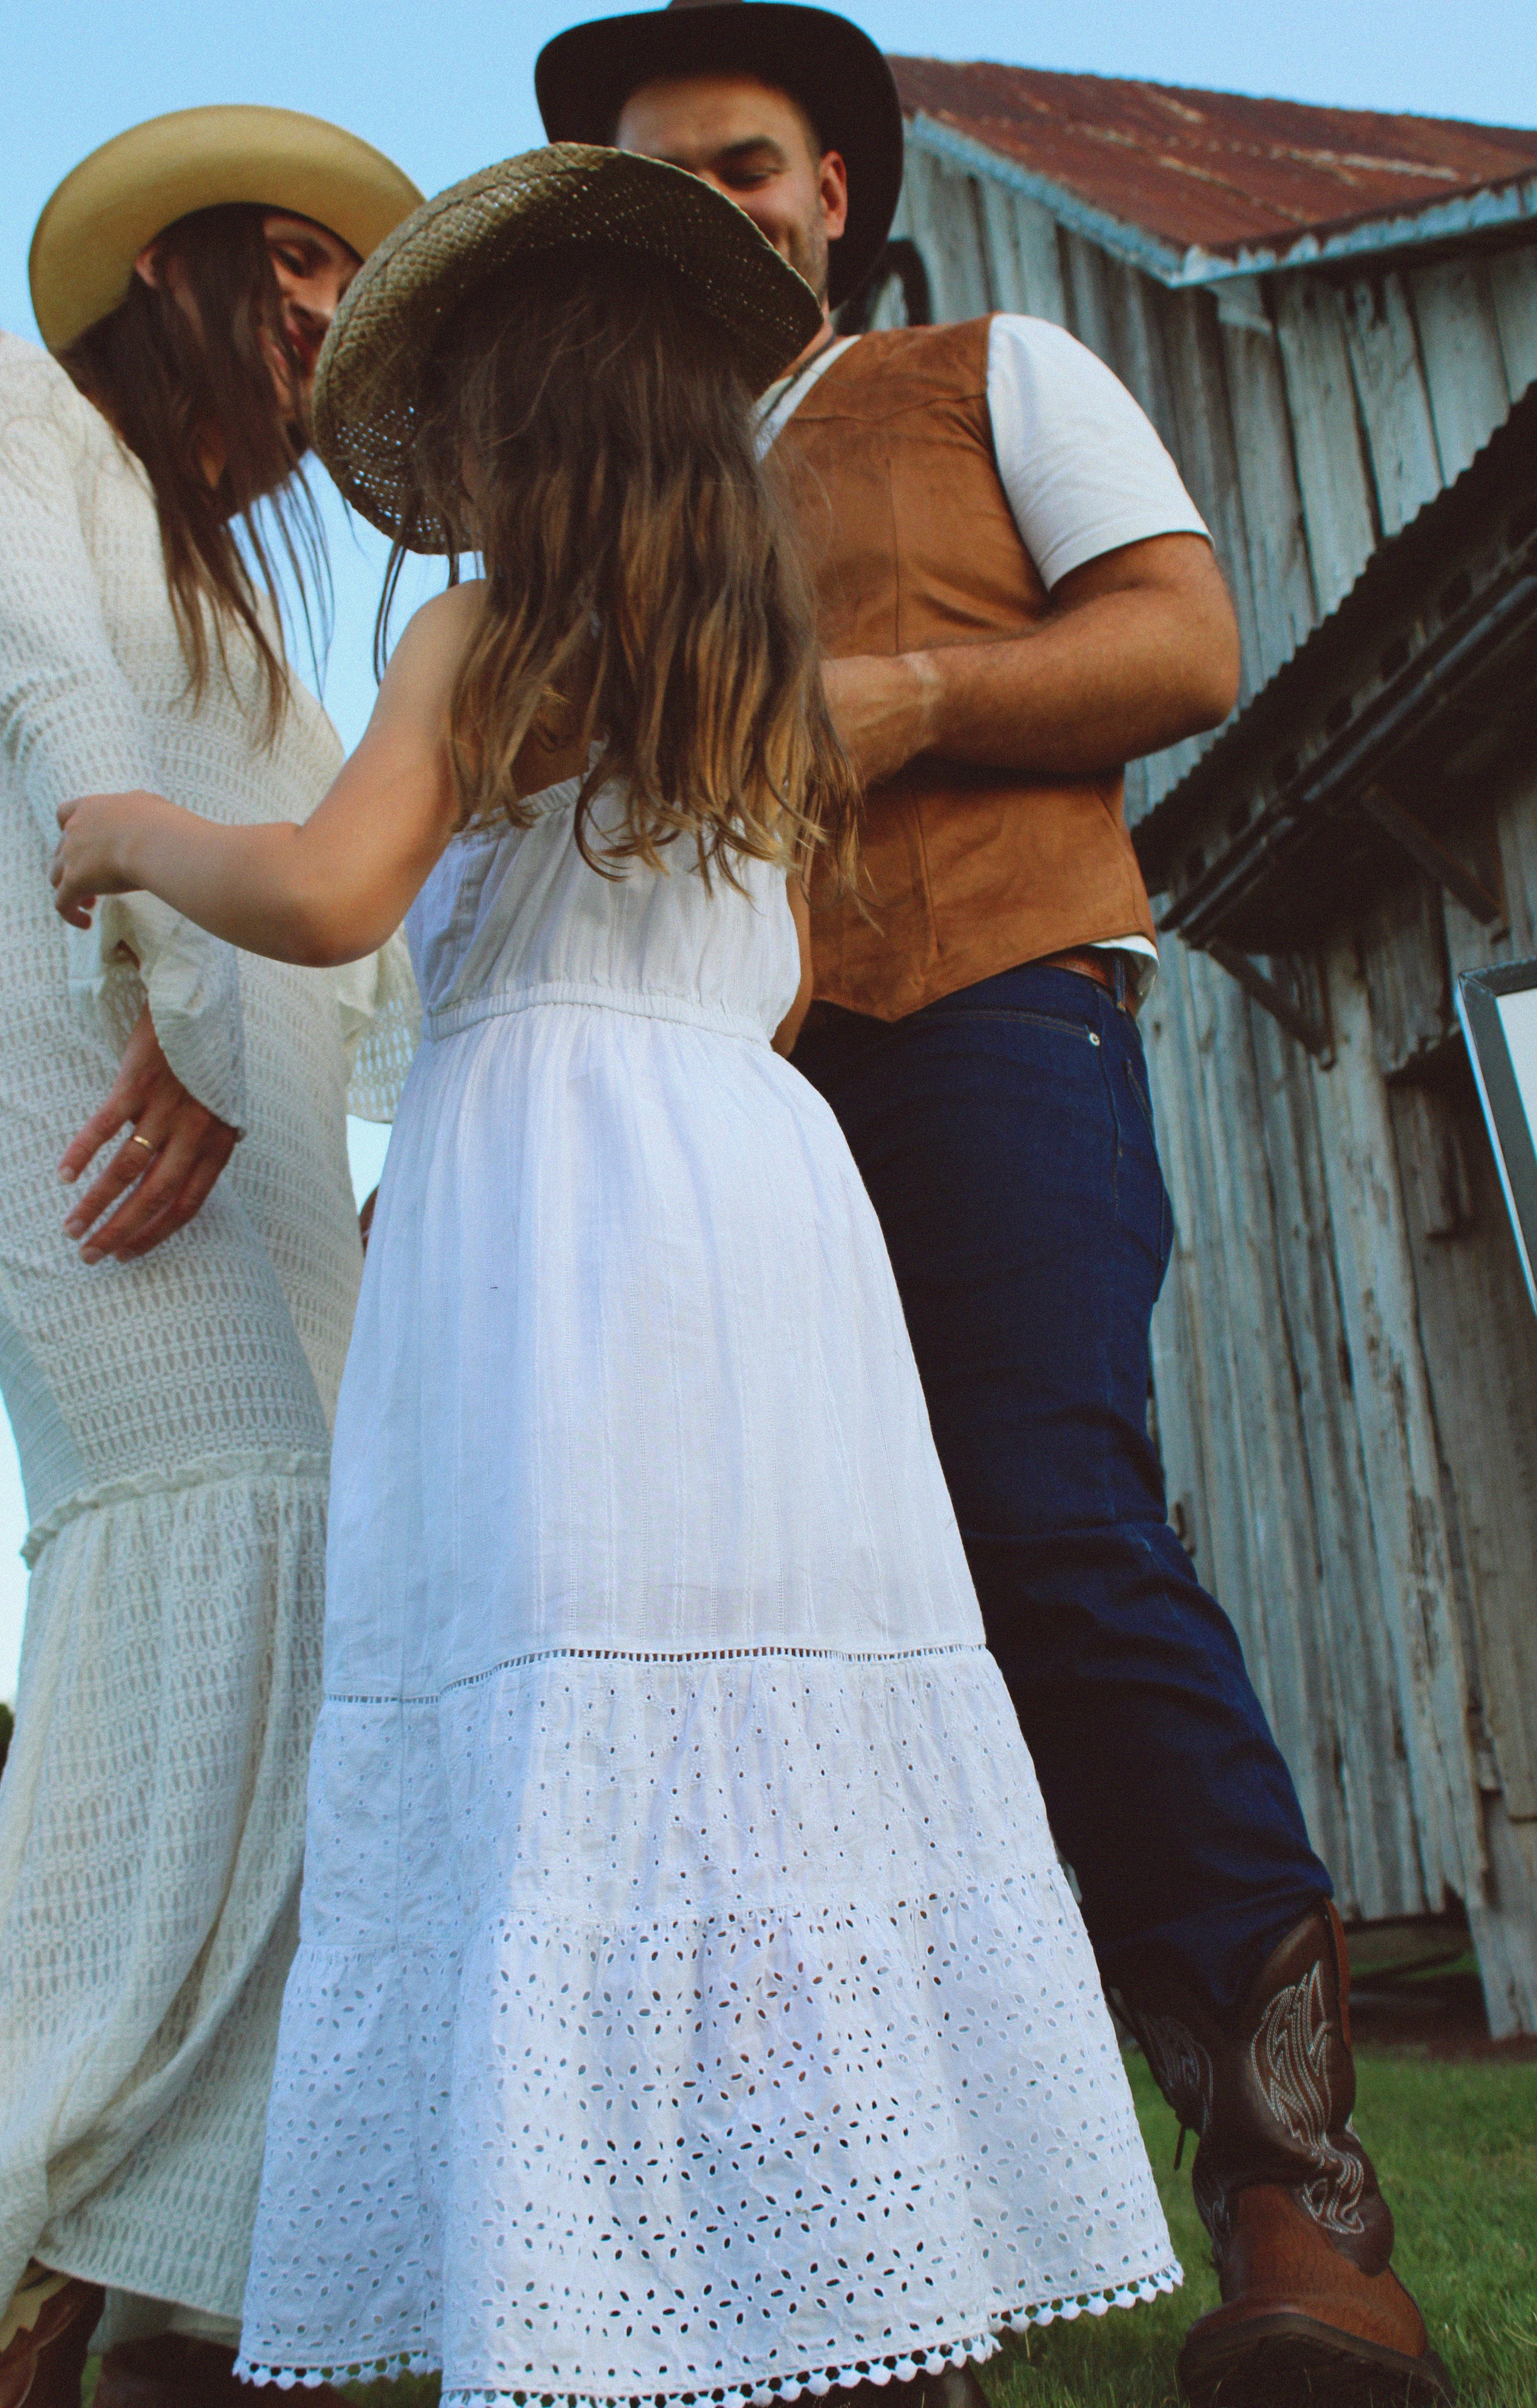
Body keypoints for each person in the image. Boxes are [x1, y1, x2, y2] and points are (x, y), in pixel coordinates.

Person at [50, 142, 1185, 2408]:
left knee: (574, 1695)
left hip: (553, 1238)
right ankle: (860, 2280)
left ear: (512, 430)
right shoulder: (758, 660)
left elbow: (340, 892)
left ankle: (596, 2267)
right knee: (771, 1710)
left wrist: (140, 839)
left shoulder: (486, 635)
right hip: (757, 1217)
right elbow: (759, 996)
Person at [531, 9, 1456, 2407]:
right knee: (762, 1622)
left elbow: (1186, 637)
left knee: (1043, 1519)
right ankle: (865, 2253)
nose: (718, 204)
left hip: (984, 1013)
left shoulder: (988, 370)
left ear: (837, 189)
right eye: (666, 178)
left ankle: (1296, 2204)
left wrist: (920, 700)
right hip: (707, 1098)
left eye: (753, 163)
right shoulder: (601, 500)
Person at [0, 106, 421, 2408]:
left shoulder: (247, 600)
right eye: (295, 260)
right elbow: (63, 716)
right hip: (87, 1073)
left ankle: (191, 2320)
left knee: (324, 1626)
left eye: (353, 275)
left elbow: (373, 902)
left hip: (266, 1125)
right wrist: (205, 1024)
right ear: (172, 270)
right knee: (203, 1575)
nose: (328, 310)